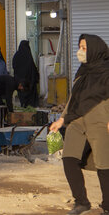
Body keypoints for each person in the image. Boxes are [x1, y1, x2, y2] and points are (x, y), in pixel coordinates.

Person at [49, 34, 109, 215]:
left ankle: (107, 205)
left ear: (95, 49)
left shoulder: (107, 71)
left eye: (84, 48)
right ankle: (81, 202)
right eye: (80, 47)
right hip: (76, 120)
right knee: (69, 159)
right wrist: (61, 119)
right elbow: (73, 98)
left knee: (104, 165)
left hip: (100, 120)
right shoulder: (82, 71)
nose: (80, 51)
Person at [12, 40, 39, 108]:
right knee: (30, 96)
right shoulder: (28, 55)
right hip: (29, 81)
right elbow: (32, 68)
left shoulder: (16, 55)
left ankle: (23, 105)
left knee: (22, 93)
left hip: (19, 80)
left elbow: (14, 66)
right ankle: (31, 107)